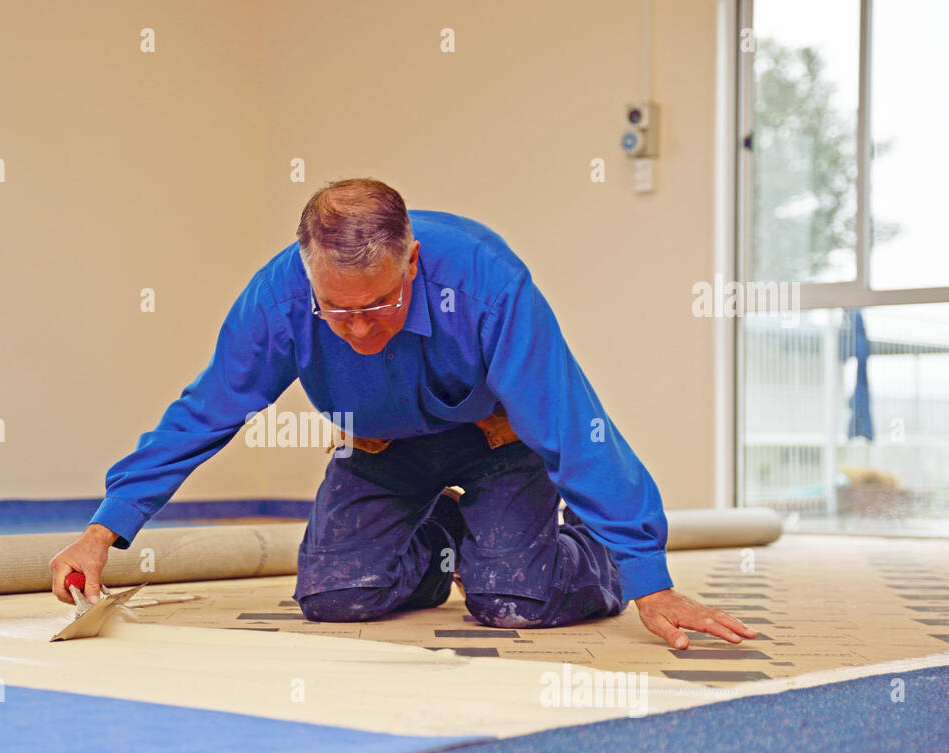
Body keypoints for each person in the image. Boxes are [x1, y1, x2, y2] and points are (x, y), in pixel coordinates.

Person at [50, 178, 757, 649]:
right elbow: (205, 412)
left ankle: (584, 553)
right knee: (336, 596)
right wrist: (104, 529)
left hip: (499, 443)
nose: (357, 330)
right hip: (382, 449)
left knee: (513, 600)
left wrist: (648, 577)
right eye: (338, 312)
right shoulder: (278, 300)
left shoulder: (485, 281)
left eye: (377, 307)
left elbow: (568, 421)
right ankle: (451, 535)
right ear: (308, 276)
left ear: (412, 260)